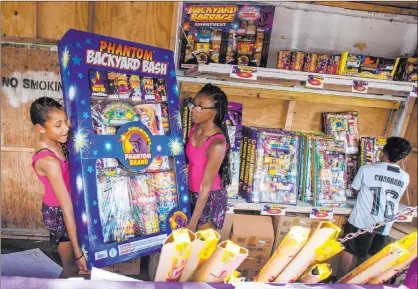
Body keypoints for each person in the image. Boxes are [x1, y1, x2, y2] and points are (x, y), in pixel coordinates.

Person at [337, 137, 412, 279]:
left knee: (349, 250)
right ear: (403, 158)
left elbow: (356, 189)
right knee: (371, 257)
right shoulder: (404, 176)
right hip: (384, 224)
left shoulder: (367, 169)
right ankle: (360, 283)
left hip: (362, 220)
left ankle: (339, 283)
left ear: (384, 152)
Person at [30, 97, 88, 277]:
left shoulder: (56, 141)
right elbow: (66, 208)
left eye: (65, 121)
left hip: (68, 206)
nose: (66, 128)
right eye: (58, 125)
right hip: (58, 213)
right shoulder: (48, 161)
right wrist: (78, 253)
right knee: (71, 267)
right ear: (40, 128)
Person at [185, 84, 231, 232]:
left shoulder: (217, 143)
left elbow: (205, 188)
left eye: (201, 107)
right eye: (194, 104)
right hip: (191, 193)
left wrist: (193, 223)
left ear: (214, 112)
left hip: (209, 199)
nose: (194, 109)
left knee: (201, 250)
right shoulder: (195, 128)